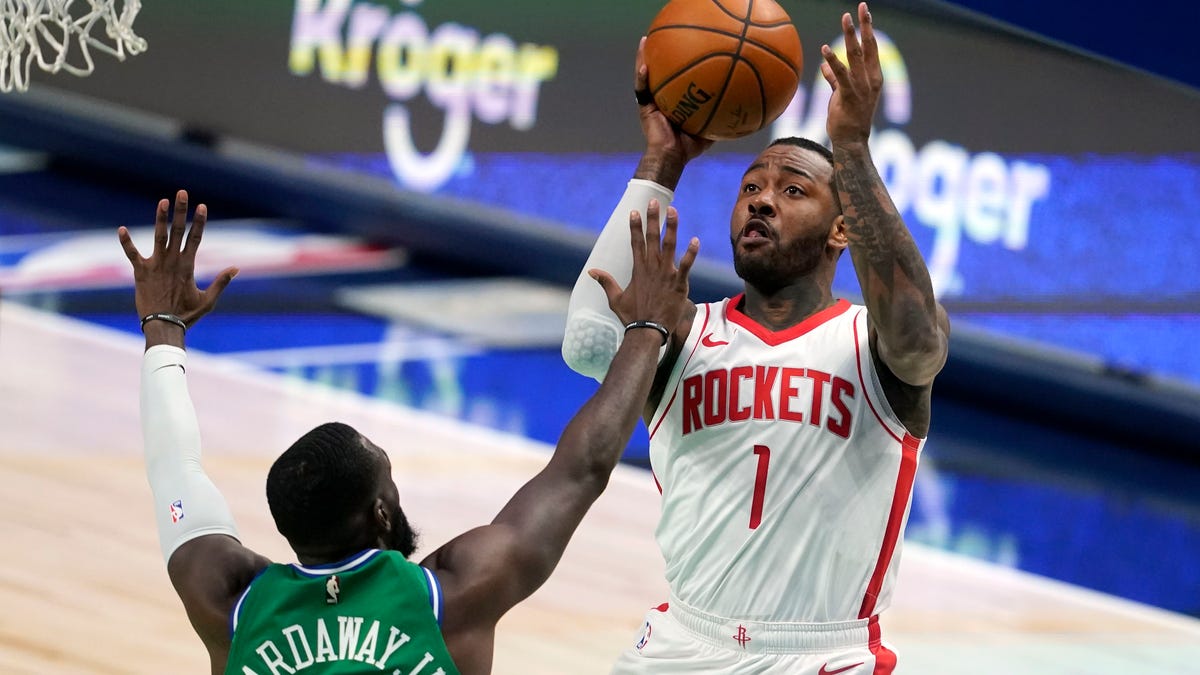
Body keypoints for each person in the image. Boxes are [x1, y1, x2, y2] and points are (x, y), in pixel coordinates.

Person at [119, 188, 698, 675]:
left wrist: (163, 332)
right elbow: (581, 469)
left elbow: (175, 472)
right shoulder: (450, 597)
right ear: (380, 514)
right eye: (389, 484)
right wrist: (645, 331)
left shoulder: (229, 601)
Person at [562, 4, 950, 673]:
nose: (762, 200)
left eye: (792, 190)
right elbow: (589, 345)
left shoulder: (872, 346)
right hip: (684, 641)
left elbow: (920, 341)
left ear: (841, 230)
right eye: (752, 186)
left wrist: (851, 152)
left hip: (823, 653)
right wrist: (661, 159)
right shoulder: (682, 332)